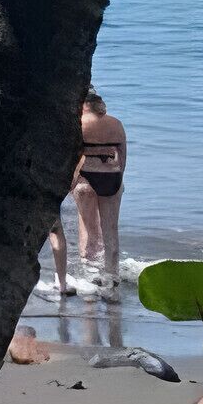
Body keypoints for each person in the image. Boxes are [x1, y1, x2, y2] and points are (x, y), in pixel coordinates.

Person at [73, 91, 127, 295]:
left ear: (85, 106)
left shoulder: (79, 123)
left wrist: (71, 182)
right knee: (110, 229)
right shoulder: (116, 123)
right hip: (111, 177)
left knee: (88, 227)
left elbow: (74, 156)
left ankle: (90, 273)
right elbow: (122, 157)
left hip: (85, 178)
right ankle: (112, 275)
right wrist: (119, 180)